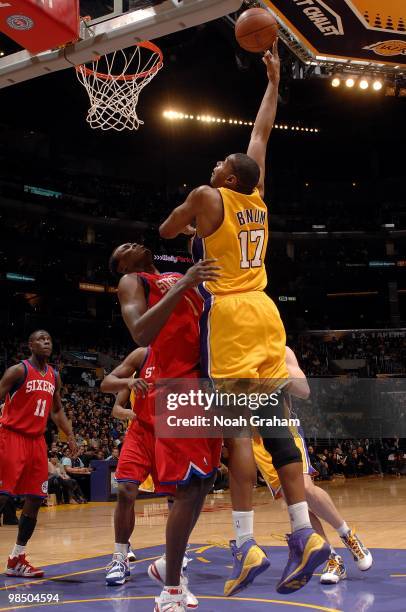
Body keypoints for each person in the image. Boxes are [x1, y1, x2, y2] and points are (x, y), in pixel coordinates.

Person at [159, 43, 329, 595]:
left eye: (220, 165)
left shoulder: (208, 196)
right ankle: (305, 534)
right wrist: (274, 83)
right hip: (267, 315)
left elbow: (163, 230)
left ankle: (245, 542)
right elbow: (262, 132)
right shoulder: (256, 195)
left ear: (227, 178)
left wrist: (188, 224)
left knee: (234, 430)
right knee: (273, 422)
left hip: (231, 313)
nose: (216, 163)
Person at [107, 248, 222, 611]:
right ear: (122, 267)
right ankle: (170, 591)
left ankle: (166, 569)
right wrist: (185, 282)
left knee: (203, 482)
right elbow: (141, 332)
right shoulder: (133, 281)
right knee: (187, 490)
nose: (129, 245)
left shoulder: (174, 274)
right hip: (176, 388)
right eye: (121, 250)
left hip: (204, 382)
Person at [253, 347, 373, 585]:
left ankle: (348, 536)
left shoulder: (280, 350)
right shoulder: (230, 351)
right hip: (255, 440)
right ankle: (333, 559)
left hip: (283, 428)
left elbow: (304, 390)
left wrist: (273, 372)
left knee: (305, 489)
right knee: (295, 504)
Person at [0, 330, 77, 577]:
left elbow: (56, 410)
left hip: (36, 442)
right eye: (41, 339)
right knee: (2, 496)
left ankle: (16, 559)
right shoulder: (17, 371)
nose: (46, 342)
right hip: (11, 436)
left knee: (35, 498)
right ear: (30, 344)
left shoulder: (54, 375)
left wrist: (71, 435)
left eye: (49, 339)